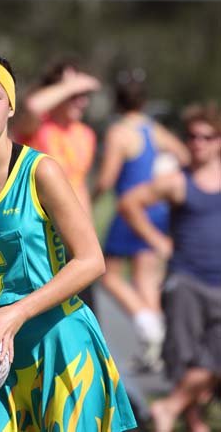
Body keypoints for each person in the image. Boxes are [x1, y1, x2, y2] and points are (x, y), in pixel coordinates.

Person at [0, 51, 136, 432]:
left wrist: (18, 312)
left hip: (59, 343)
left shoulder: (41, 172)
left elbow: (90, 260)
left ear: (11, 106)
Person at [119, 102, 221, 432]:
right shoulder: (177, 181)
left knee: (214, 359)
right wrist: (156, 240)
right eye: (192, 137)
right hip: (186, 281)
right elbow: (130, 203)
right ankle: (191, 421)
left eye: (206, 137)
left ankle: (169, 408)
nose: (198, 143)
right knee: (184, 361)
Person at [93, 73, 190, 369]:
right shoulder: (153, 130)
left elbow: (108, 178)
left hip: (129, 210)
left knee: (108, 274)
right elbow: (185, 155)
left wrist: (89, 196)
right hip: (156, 211)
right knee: (145, 278)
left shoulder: (119, 132)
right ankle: (157, 347)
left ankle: (148, 326)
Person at [13, 59, 101, 310]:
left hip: (72, 243)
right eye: (73, 93)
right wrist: (73, 84)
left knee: (83, 321)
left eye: (83, 95)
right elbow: (32, 105)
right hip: (38, 242)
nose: (80, 100)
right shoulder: (36, 127)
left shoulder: (86, 135)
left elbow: (79, 186)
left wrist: (87, 235)